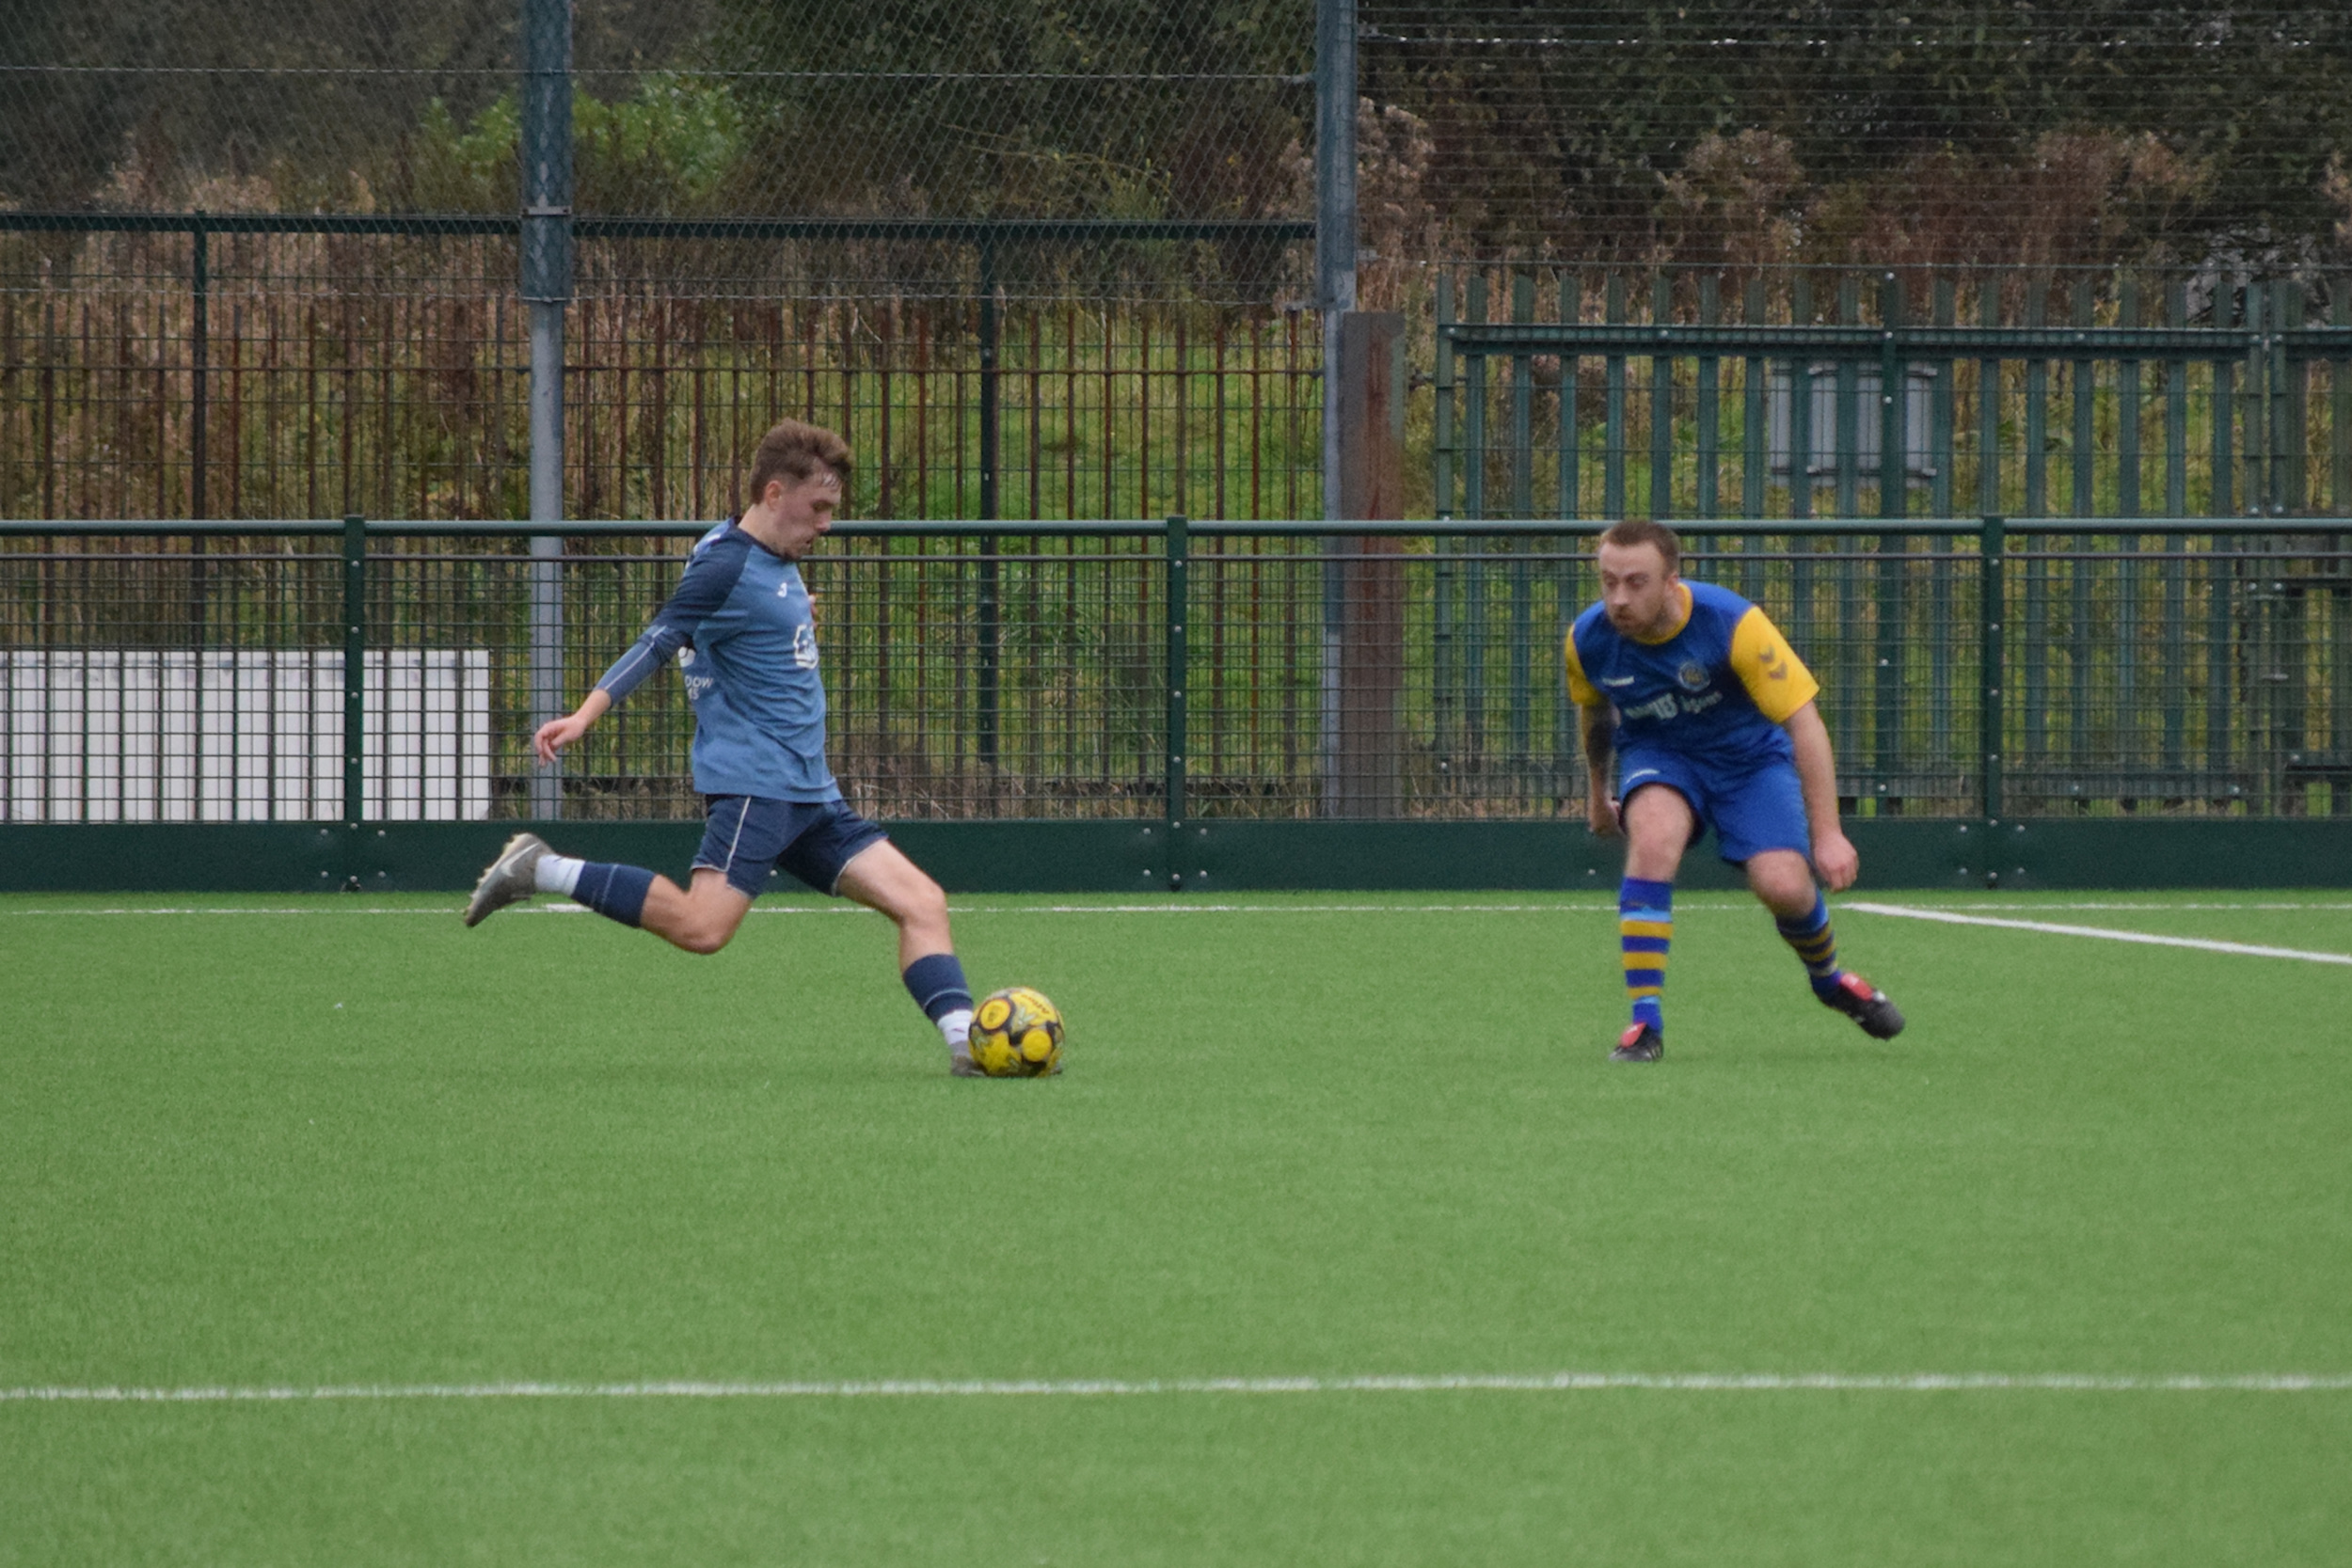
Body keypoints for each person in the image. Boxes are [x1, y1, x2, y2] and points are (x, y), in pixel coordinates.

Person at [463, 419, 988, 1076]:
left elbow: (745, 619)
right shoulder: (725, 562)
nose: (826, 524)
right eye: (817, 508)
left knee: (922, 902)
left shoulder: (770, 558)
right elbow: (662, 636)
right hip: (756, 784)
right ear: (774, 492)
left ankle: (971, 1047)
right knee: (701, 928)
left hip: (811, 791)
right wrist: (585, 713)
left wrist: (796, 611)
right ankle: (538, 868)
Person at [1567, 518, 1904, 1063]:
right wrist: (1596, 795)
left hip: (1749, 762)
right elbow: (1596, 716)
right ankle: (1644, 1026)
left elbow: (1804, 723)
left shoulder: (1732, 623)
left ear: (1671, 581)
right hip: (1660, 756)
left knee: (1783, 887)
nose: (1619, 599)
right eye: (1608, 582)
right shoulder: (1589, 639)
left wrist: (1830, 834)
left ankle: (1828, 980)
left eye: (1635, 583)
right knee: (1652, 843)